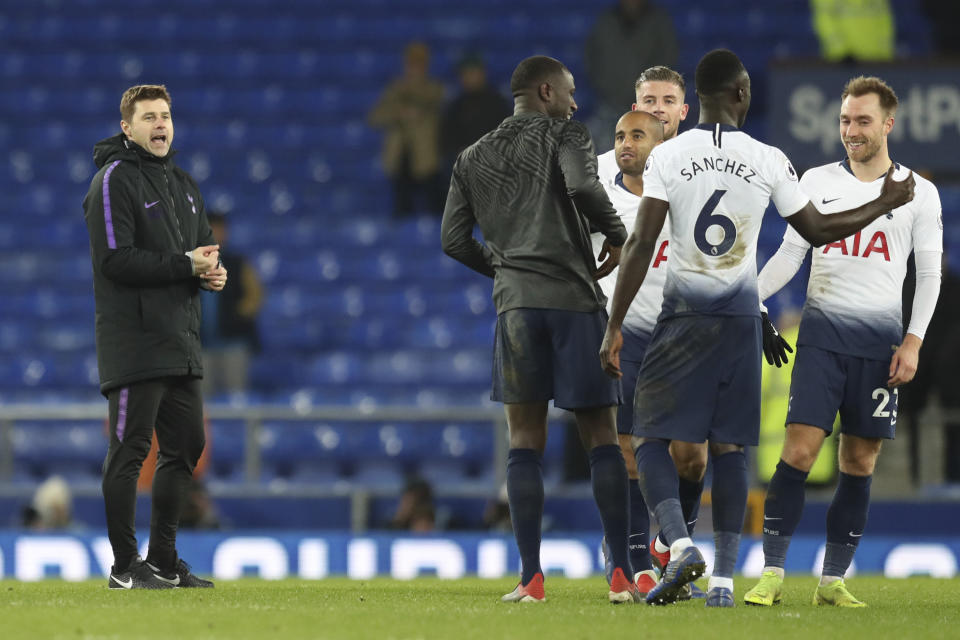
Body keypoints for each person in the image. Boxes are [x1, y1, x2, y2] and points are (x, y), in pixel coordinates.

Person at [599, 49, 915, 607]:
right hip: (742, 320)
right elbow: (816, 229)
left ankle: (677, 544)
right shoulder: (770, 159)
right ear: (742, 95)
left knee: (648, 436)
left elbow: (643, 243)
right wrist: (882, 202)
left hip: (683, 319)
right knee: (731, 448)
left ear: (694, 100)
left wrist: (615, 324)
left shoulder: (668, 157)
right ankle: (723, 581)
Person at [442, 55, 640, 604]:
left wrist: (507, 271)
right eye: (571, 92)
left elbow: (453, 241)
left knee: (524, 443)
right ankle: (621, 573)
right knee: (602, 437)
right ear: (547, 91)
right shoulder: (567, 133)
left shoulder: (471, 156)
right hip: (576, 303)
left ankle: (531, 578)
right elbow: (581, 187)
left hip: (517, 311)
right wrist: (618, 234)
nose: (576, 103)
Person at [744, 76, 941, 608]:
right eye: (845, 121)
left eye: (862, 121)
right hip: (822, 339)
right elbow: (791, 255)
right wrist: (749, 295)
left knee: (860, 461)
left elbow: (928, 275)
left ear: (888, 124)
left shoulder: (920, 192)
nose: (851, 131)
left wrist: (914, 342)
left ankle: (832, 580)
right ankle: (773, 573)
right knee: (800, 450)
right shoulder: (816, 179)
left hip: (880, 347)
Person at [83, 84, 226, 590]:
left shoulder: (185, 185)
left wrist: (210, 272)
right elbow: (114, 260)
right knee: (130, 450)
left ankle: (163, 559)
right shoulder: (112, 180)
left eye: (165, 115)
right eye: (149, 117)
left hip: (180, 341)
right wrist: (184, 265)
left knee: (187, 444)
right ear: (128, 127)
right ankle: (125, 566)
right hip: (135, 342)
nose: (160, 124)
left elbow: (199, 252)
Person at [592, 68, 687, 597]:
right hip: (625, 331)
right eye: (647, 100)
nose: (655, 109)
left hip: (685, 331)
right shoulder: (600, 171)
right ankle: (630, 557)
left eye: (666, 101)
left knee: (690, 453)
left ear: (683, 110)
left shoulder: (697, 168)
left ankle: (673, 544)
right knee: (628, 447)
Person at [584, 0, 678, 152]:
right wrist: (605, 86)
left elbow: (668, 59)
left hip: (648, 107)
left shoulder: (659, 22)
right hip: (610, 104)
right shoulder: (607, 21)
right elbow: (592, 57)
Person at [369, 41, 446, 217]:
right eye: (412, 63)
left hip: (427, 157)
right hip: (400, 157)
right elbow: (375, 117)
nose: (415, 68)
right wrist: (399, 111)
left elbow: (436, 105)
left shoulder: (434, 89)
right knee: (402, 209)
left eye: (419, 64)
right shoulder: (395, 90)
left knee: (436, 207)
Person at [200, 211, 264, 395]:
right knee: (202, 401)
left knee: (236, 397)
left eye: (219, 230)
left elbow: (255, 295)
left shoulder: (238, 263)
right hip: (199, 345)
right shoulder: (188, 263)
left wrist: (237, 316)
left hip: (233, 343)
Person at [440, 53, 512, 172]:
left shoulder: (498, 103)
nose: (468, 78)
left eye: (472, 73)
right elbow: (447, 139)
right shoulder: (456, 106)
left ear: (482, 73)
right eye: (464, 74)